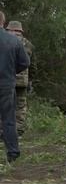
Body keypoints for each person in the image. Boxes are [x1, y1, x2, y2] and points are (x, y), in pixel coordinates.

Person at [0, 11, 30, 163]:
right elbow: (25, 62)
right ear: (3, 23)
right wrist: (12, 71)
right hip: (7, 84)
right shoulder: (14, 41)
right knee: (9, 119)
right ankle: (12, 152)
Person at [6, 21, 34, 136]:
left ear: (9, 30)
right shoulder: (28, 44)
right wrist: (29, 80)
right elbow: (31, 64)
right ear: (20, 31)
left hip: (6, 79)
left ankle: (3, 131)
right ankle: (18, 131)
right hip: (22, 81)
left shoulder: (4, 41)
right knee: (20, 106)